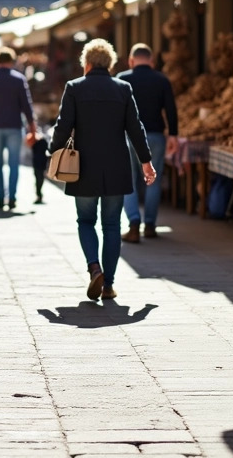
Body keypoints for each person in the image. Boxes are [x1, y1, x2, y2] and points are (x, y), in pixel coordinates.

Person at [49, 39, 155, 301]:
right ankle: (108, 284)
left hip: (82, 167)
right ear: (110, 63)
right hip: (116, 167)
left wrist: (53, 150)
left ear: (86, 63)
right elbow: (135, 127)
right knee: (111, 225)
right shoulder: (123, 88)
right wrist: (146, 161)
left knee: (85, 221)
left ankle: (94, 267)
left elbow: (64, 125)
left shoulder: (74, 88)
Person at [119, 43, 179, 243]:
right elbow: (171, 109)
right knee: (154, 179)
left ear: (131, 60)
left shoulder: (122, 79)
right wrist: (173, 135)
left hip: (128, 137)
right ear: (152, 62)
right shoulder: (162, 80)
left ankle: (134, 223)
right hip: (155, 136)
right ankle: (151, 225)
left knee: (129, 180)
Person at [0, 47, 37, 211]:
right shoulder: (19, 79)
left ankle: (0, 197)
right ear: (12, 61)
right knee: (13, 164)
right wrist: (32, 126)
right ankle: (12, 197)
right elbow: (26, 105)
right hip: (14, 126)